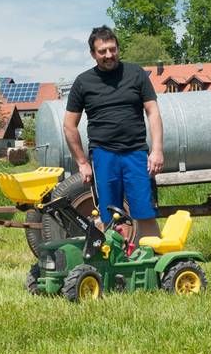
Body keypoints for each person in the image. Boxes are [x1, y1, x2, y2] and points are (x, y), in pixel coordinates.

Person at [63, 25, 163, 237]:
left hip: (136, 153)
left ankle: (153, 255)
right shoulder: (83, 82)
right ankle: (118, 256)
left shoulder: (136, 74)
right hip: (104, 155)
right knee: (110, 217)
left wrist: (157, 150)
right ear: (93, 54)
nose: (109, 55)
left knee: (145, 213)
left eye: (112, 49)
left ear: (118, 48)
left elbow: (153, 111)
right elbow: (69, 125)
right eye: (102, 51)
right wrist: (82, 162)